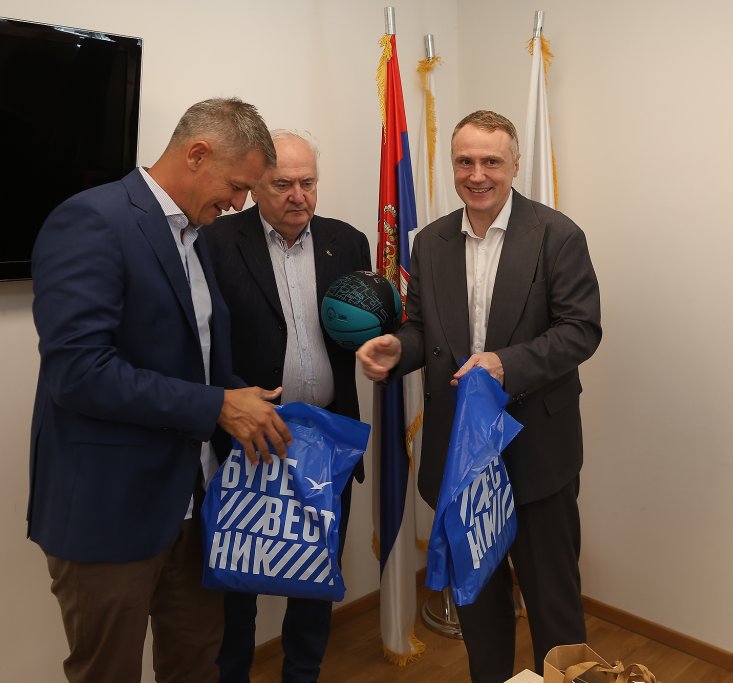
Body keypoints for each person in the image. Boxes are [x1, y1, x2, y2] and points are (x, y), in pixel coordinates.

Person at [28, 98, 293, 683]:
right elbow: (80, 372)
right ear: (197, 154)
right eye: (237, 187)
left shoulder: (195, 236)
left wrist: (238, 395)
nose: (240, 205)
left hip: (194, 507)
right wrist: (217, 405)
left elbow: (185, 358)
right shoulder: (92, 221)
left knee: (198, 664)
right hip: (109, 511)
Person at [357, 110, 602, 682]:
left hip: (536, 452)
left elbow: (580, 330)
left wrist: (504, 364)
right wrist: (397, 349)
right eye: (464, 161)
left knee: (553, 607)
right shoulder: (430, 242)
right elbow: (423, 331)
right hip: (460, 457)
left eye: (491, 161)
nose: (477, 174)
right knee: (480, 605)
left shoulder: (557, 235)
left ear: (515, 165)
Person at [205, 129, 371, 683]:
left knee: (315, 573)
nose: (298, 196)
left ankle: (303, 673)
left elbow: (362, 328)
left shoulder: (347, 242)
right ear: (255, 186)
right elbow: (203, 342)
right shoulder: (216, 242)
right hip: (249, 440)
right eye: (282, 185)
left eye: (308, 183)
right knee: (239, 581)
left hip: (325, 440)